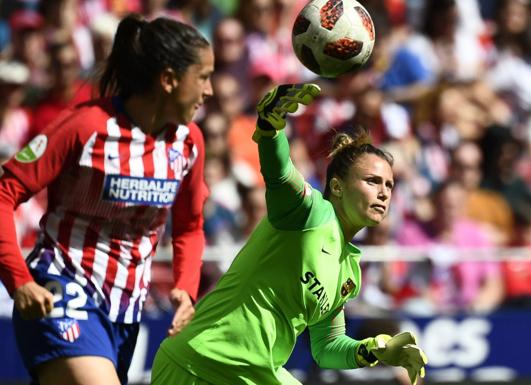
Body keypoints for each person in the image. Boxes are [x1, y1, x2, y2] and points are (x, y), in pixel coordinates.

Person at [151, 84, 428, 385]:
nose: (384, 193)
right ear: (337, 187)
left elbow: (327, 348)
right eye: (373, 181)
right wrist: (271, 129)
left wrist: (372, 350)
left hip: (251, 374)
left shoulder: (348, 272)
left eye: (389, 185)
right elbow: (280, 174)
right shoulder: (311, 214)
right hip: (198, 363)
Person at [0, 14, 213, 385]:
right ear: (168, 80)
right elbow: (4, 193)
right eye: (203, 77)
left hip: (126, 311)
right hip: (61, 290)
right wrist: (19, 280)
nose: (208, 91)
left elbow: (191, 225)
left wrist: (185, 287)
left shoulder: (189, 142)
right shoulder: (86, 127)